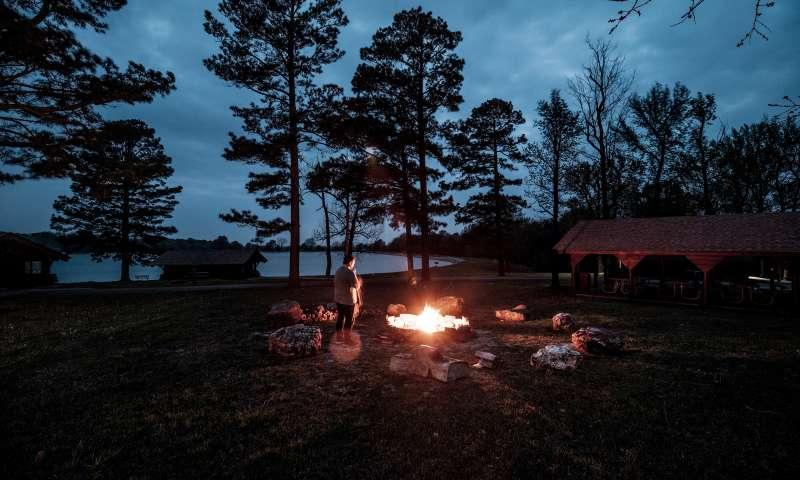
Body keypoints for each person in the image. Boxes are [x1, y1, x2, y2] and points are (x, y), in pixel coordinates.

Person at [334, 254, 361, 341]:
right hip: (348, 301)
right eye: (354, 262)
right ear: (350, 262)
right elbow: (357, 286)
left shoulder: (338, 270)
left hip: (338, 299)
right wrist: (354, 274)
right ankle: (347, 338)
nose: (354, 264)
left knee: (340, 318)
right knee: (349, 320)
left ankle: (338, 337)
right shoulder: (350, 272)